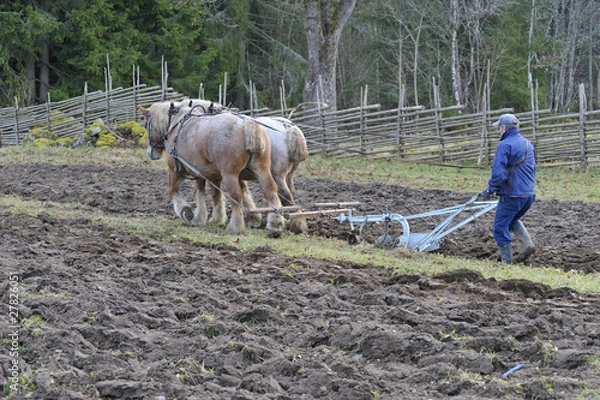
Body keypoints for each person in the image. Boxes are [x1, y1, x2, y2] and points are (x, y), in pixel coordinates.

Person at [479, 113, 536, 264]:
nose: (498, 130)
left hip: (512, 194)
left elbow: (499, 173)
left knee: (499, 228)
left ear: (504, 128)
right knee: (513, 219)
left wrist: (490, 190)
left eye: (499, 128)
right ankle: (527, 244)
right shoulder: (527, 144)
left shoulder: (504, 145)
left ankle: (506, 262)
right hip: (529, 195)